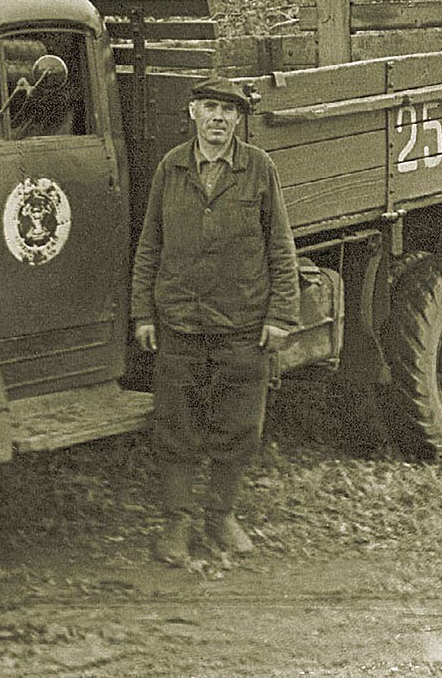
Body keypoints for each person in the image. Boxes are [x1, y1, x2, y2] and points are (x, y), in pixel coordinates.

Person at [130, 78, 300, 565]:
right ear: (193, 114)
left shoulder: (259, 169)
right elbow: (150, 245)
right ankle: (178, 523)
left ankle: (221, 515)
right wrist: (144, 312)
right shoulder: (171, 167)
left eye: (228, 110)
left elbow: (280, 248)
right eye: (210, 108)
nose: (219, 118)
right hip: (180, 323)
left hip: (242, 326)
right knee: (176, 426)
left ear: (238, 120)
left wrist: (280, 316)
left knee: (238, 425)